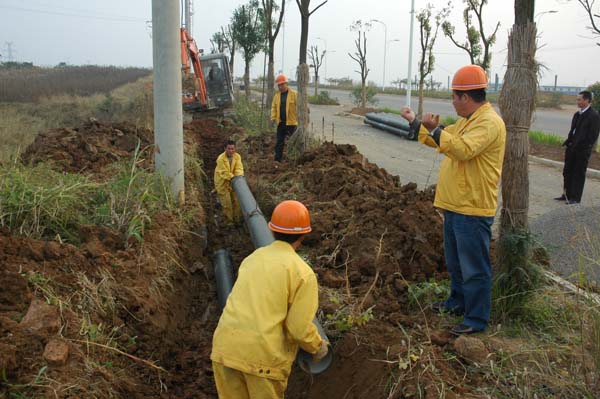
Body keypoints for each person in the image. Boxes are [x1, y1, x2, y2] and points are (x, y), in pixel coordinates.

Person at [399, 64, 506, 335]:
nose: (453, 102)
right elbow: (442, 142)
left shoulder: (489, 122)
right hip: (456, 204)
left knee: (474, 267)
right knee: (456, 262)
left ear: (466, 97)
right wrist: (417, 124)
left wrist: (437, 131)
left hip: (472, 206)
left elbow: (463, 149)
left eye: (455, 97)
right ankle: (457, 302)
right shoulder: (467, 121)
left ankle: (476, 319)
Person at [211, 200, 329, 398]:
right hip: (262, 360)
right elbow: (298, 328)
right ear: (304, 235)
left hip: (224, 350)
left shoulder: (252, 258)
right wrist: (317, 346)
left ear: (271, 229)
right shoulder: (302, 274)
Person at [554, 90, 600, 205]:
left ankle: (575, 198)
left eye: (579, 99)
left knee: (578, 173)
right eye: (577, 99)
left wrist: (584, 147)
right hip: (571, 148)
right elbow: (573, 131)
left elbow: (593, 135)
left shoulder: (593, 115)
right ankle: (566, 194)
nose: (577, 101)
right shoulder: (577, 114)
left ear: (587, 100)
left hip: (582, 150)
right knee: (567, 171)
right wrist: (568, 142)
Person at [214, 140, 244, 225]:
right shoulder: (220, 159)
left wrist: (238, 177)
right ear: (225, 149)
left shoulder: (237, 156)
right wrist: (233, 177)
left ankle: (237, 219)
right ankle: (229, 222)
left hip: (233, 182)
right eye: (229, 149)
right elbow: (224, 173)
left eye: (233, 149)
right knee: (227, 204)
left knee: (236, 201)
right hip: (222, 183)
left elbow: (239, 168)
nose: (231, 151)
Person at [271, 74, 298, 162]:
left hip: (292, 123)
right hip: (281, 123)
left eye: (282, 84)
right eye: (279, 85)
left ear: (286, 84)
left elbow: (301, 106)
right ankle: (277, 159)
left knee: (293, 142)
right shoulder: (276, 96)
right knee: (279, 142)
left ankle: (294, 158)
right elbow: (274, 108)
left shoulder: (294, 94)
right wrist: (273, 118)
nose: (280, 87)